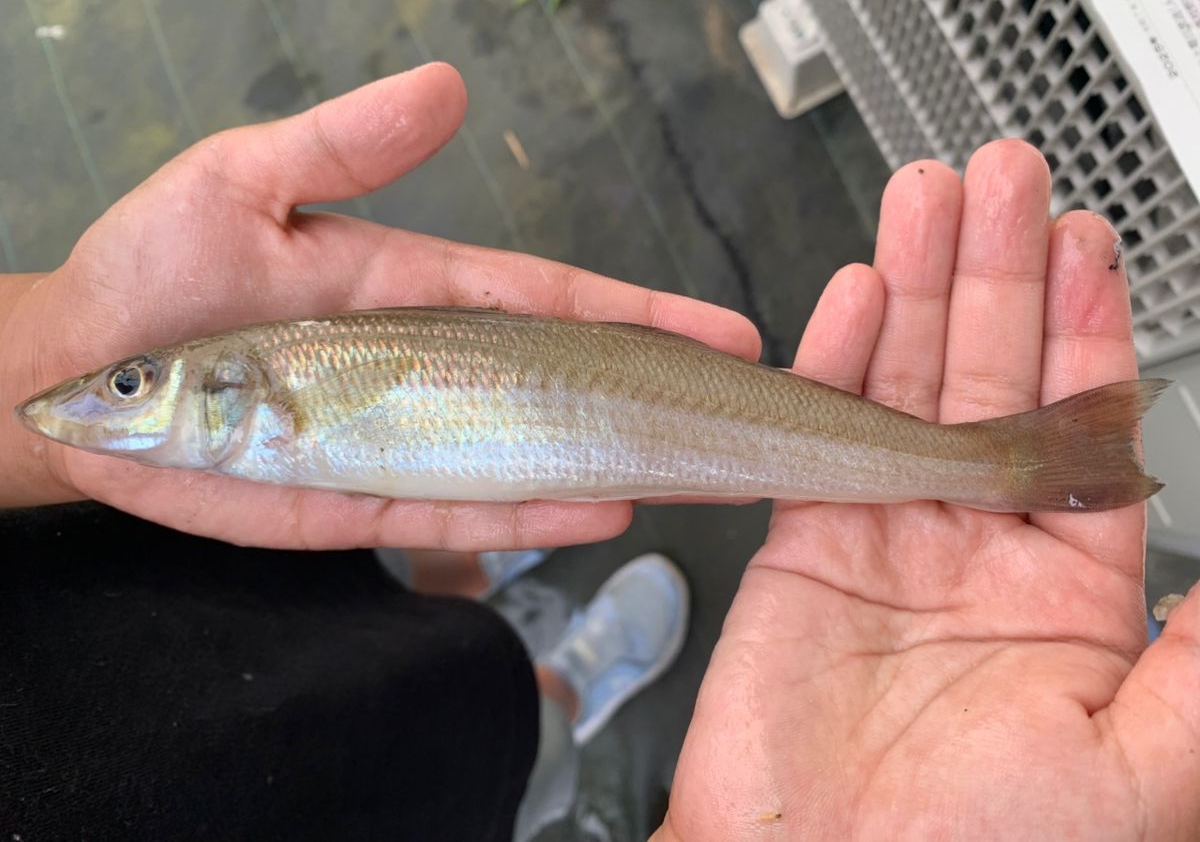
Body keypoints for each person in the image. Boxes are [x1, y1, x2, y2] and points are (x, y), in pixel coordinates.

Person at [0, 62, 1196, 839]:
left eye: (130, 383)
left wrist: (48, 343)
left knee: (353, 646)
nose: (105, 401)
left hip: (134, 636)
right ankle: (541, 681)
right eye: (125, 378)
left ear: (233, 389)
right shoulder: (243, 423)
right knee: (382, 721)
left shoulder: (260, 416)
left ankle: (529, 650)